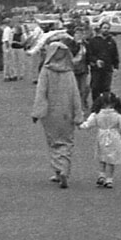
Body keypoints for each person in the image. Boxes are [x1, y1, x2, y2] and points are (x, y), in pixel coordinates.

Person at [31, 39, 83, 189]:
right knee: (67, 141)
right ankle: (64, 169)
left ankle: (58, 169)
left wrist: (37, 112)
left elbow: (41, 93)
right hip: (67, 112)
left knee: (53, 142)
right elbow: (75, 95)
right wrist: (78, 114)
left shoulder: (46, 71)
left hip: (50, 113)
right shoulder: (69, 72)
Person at [80, 92, 121, 190]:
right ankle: (109, 179)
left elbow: (87, 124)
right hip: (114, 137)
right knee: (112, 159)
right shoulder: (119, 115)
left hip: (101, 136)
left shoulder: (96, 114)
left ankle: (101, 174)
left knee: (102, 156)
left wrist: (79, 124)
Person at [86, 21, 120, 100]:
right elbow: (89, 55)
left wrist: (116, 67)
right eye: (104, 28)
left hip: (108, 69)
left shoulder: (111, 41)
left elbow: (115, 55)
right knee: (95, 87)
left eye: (108, 28)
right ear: (100, 29)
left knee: (106, 88)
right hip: (96, 69)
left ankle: (104, 105)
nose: (106, 30)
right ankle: (95, 106)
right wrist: (96, 61)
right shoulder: (94, 41)